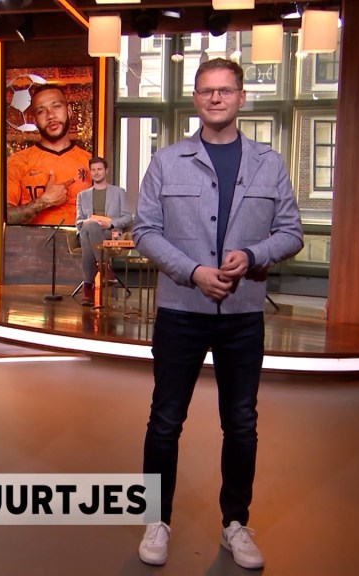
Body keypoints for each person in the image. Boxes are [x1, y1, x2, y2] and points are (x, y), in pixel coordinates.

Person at [132, 59, 302, 570]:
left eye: (225, 90)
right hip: (181, 310)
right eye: (206, 91)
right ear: (196, 99)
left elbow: (291, 231)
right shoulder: (166, 162)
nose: (215, 98)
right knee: (166, 419)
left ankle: (235, 523)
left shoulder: (269, 163)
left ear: (241, 97)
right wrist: (192, 272)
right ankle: (156, 520)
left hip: (243, 313)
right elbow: (145, 231)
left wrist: (252, 255)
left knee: (242, 423)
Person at [6, 84, 91, 225]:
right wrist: (44, 202)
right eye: (41, 111)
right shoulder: (17, 162)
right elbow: (4, 217)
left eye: (56, 106)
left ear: (69, 111)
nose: (50, 115)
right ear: (34, 121)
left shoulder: (90, 161)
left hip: (80, 239)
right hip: (31, 239)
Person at [74, 156, 132, 305]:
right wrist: (88, 222)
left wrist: (110, 224)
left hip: (109, 233)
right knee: (89, 227)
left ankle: (88, 286)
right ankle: (105, 267)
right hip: (88, 231)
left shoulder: (119, 192)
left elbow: (127, 217)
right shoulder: (82, 195)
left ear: (106, 171)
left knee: (87, 234)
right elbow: (78, 221)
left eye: (99, 169)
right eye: (93, 170)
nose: (96, 172)